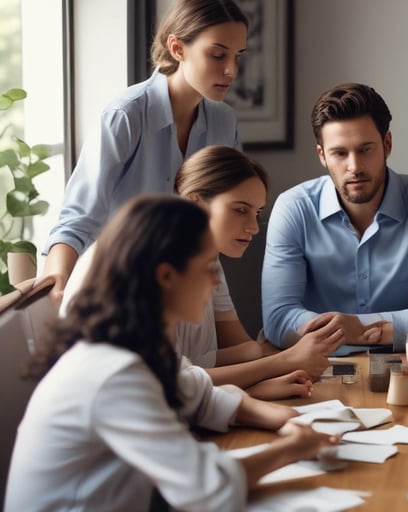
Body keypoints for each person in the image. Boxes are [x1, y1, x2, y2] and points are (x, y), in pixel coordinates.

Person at [5, 196, 337, 511]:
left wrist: (282, 418)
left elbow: (196, 393)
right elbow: (207, 489)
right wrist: (293, 448)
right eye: (207, 267)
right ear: (166, 276)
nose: (214, 282)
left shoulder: (131, 346)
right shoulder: (112, 374)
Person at [59, 146, 345, 399]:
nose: (254, 227)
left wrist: (288, 350)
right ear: (196, 202)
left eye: (257, 213)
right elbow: (169, 381)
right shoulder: (148, 261)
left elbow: (210, 358)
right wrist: (283, 362)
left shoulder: (205, 259)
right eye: (240, 210)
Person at [42, 0, 248, 303]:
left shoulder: (223, 120)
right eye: (218, 55)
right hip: (114, 291)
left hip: (184, 283)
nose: (231, 71)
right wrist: (57, 282)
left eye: (237, 56)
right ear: (177, 48)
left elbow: (229, 207)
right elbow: (79, 217)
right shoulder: (126, 115)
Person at [262, 83, 408, 352]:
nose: (355, 167)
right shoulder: (293, 209)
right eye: (340, 153)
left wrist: (361, 329)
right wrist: (366, 330)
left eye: (365, 149)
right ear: (322, 156)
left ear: (387, 144)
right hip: (319, 372)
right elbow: (278, 320)